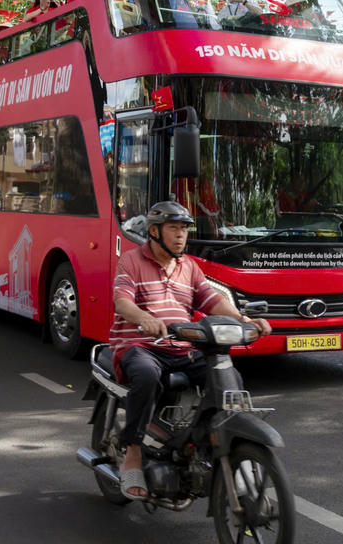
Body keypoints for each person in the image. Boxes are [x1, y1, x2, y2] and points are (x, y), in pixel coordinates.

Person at [108, 201, 271, 500]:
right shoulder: (131, 261)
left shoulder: (190, 267)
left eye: (184, 229)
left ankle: (215, 440)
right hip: (140, 346)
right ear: (154, 231)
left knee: (226, 373)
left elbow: (212, 302)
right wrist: (144, 318)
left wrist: (246, 320)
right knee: (145, 375)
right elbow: (122, 302)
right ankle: (132, 451)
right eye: (174, 228)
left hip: (181, 348)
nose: (181, 235)